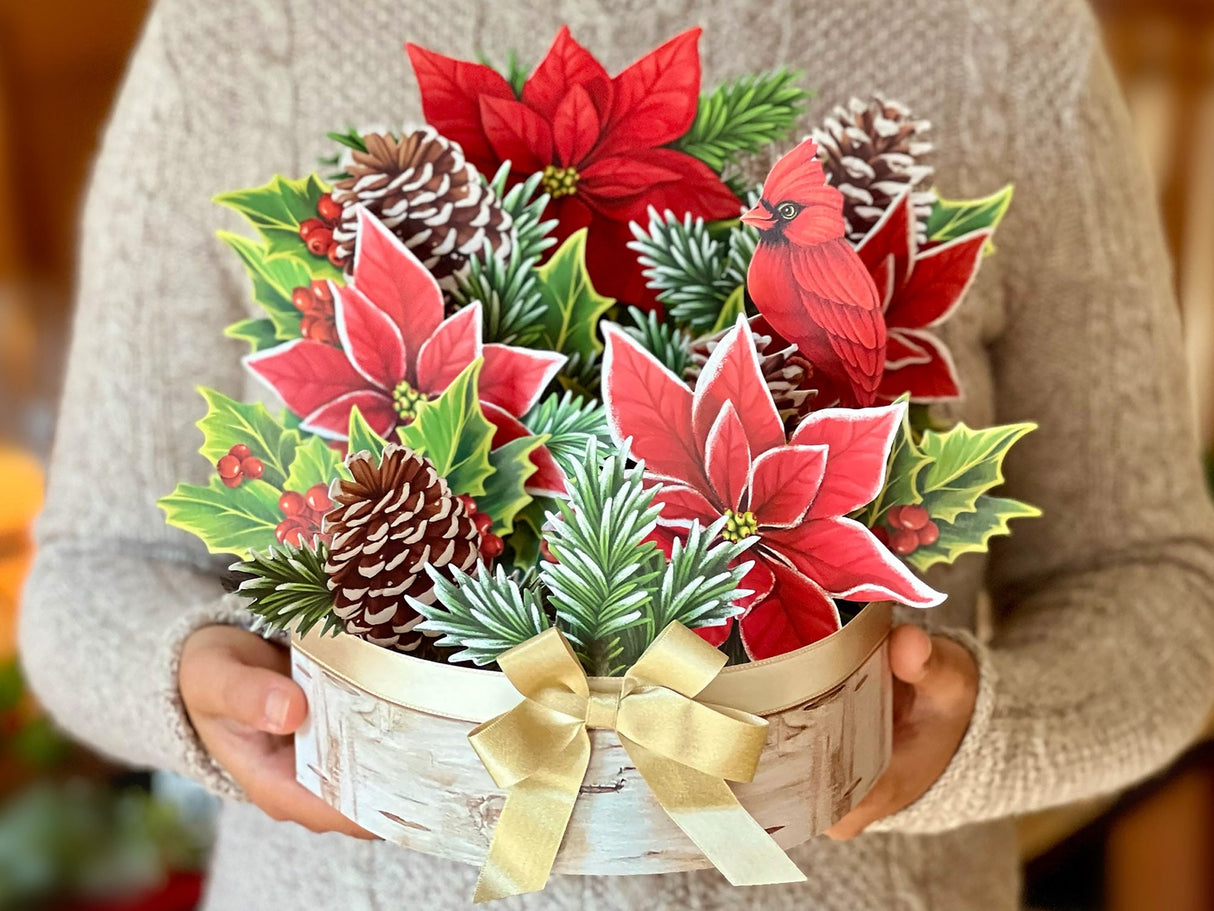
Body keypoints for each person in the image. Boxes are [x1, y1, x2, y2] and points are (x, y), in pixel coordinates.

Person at [20, 0, 1214, 908]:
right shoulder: (238, 33)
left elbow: (1161, 589)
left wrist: (977, 733)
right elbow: (90, 571)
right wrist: (191, 685)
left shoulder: (994, 35)